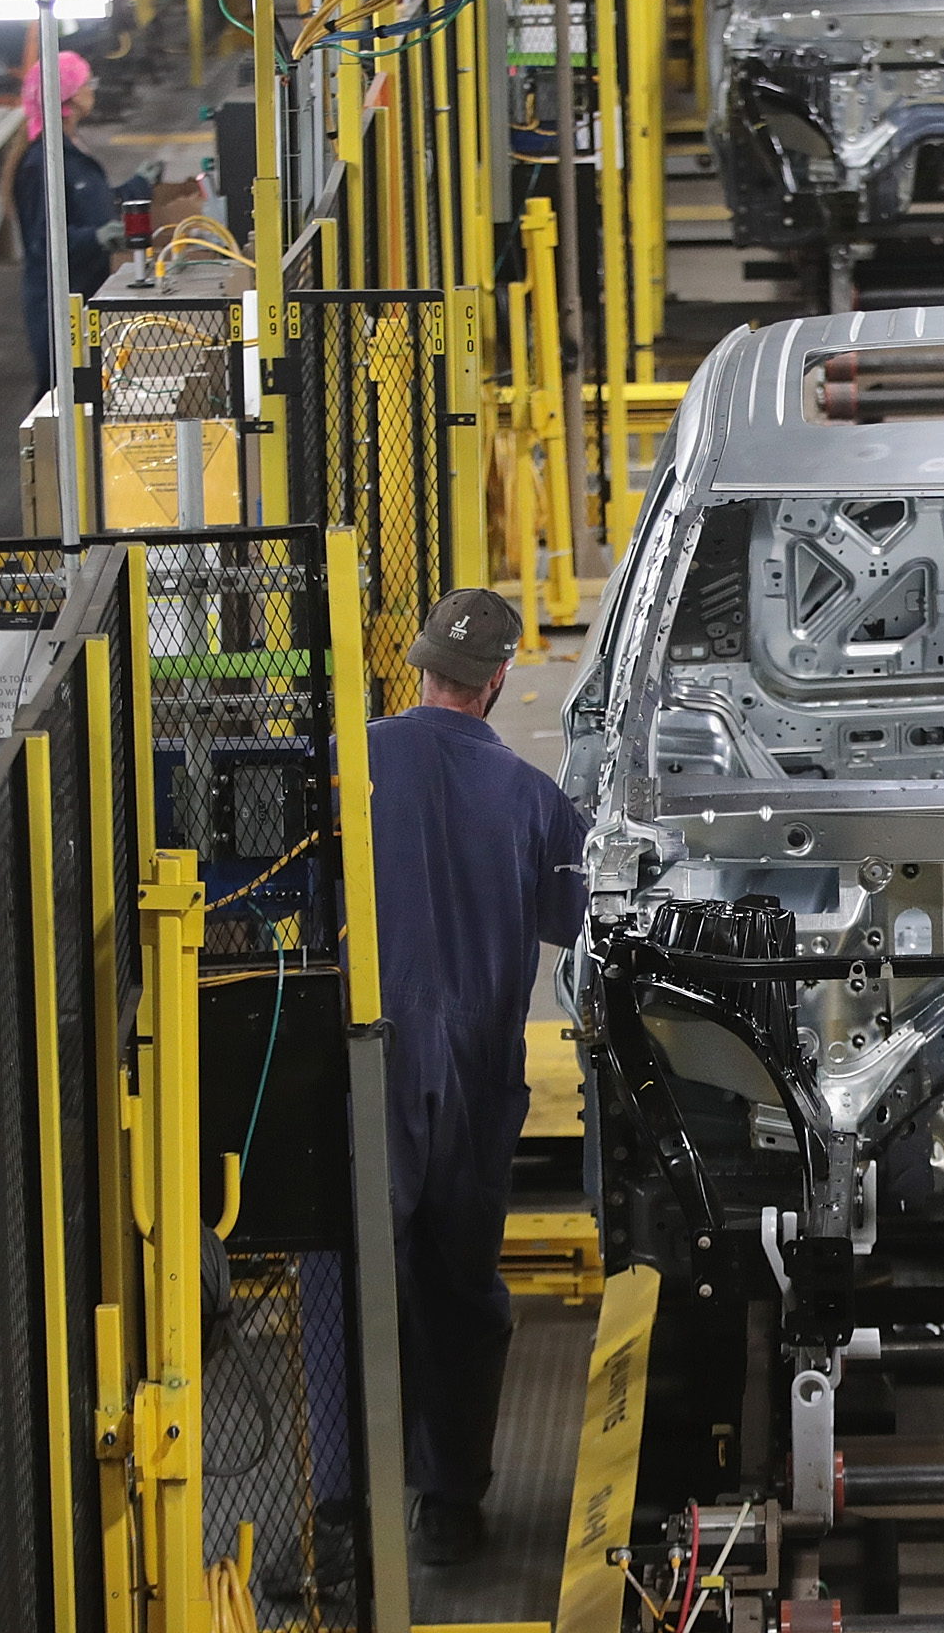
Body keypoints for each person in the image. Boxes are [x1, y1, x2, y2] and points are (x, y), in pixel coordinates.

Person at [365, 588, 586, 1564]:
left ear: (419, 665)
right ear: (500, 680)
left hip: (373, 1055)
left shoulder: (356, 762)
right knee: (457, 1280)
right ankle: (446, 1502)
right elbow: (577, 927)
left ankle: (345, 1506)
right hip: (479, 1068)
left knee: (361, 1273)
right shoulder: (539, 802)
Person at [11, 49, 121, 394]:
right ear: (69, 95)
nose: (94, 89)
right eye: (88, 83)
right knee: (59, 398)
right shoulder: (41, 163)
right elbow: (43, 243)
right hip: (58, 310)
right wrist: (98, 238)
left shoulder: (70, 147)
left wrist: (137, 189)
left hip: (85, 294)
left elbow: (88, 204)